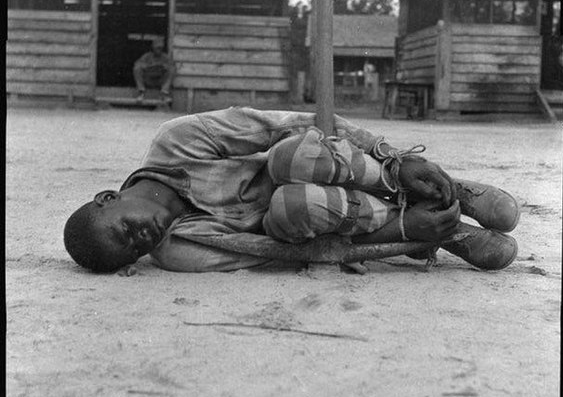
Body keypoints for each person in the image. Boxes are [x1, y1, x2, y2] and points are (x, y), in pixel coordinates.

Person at [63, 106, 520, 274]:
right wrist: (406, 235)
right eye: (131, 255)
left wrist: (399, 158)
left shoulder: (176, 140)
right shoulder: (178, 250)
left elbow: (297, 123)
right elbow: (285, 253)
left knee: (287, 157)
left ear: (109, 198)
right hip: (335, 214)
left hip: (348, 168)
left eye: (124, 231)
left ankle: (438, 187)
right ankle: (443, 228)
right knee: (288, 207)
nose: (139, 243)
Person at [133, 36, 175, 106]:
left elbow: (171, 66)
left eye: (160, 48)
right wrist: (148, 66)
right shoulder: (147, 56)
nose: (159, 50)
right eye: (157, 48)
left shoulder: (166, 57)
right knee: (137, 69)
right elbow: (137, 64)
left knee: (172, 70)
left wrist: (164, 67)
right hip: (148, 80)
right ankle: (141, 92)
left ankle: (164, 93)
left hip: (160, 82)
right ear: (153, 48)